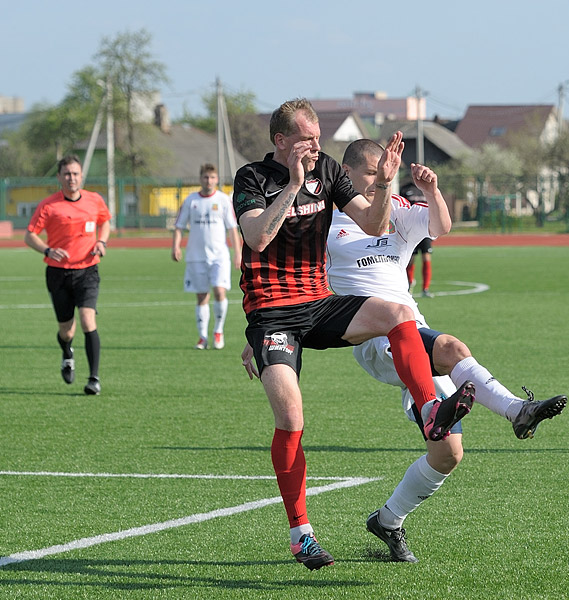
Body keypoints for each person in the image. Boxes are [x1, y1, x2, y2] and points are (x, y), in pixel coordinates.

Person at [231, 98, 474, 571]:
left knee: (396, 312)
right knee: (291, 417)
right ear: (280, 141)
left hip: (318, 304)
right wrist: (296, 188)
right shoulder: (251, 178)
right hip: (273, 315)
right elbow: (258, 237)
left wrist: (384, 182)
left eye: (319, 136)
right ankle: (301, 534)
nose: (316, 145)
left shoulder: (326, 167)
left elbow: (374, 222)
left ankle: (429, 409)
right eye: (306, 138)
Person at [329, 139, 568, 562]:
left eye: (385, 170)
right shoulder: (327, 218)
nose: (381, 177)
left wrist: (432, 190)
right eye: (372, 171)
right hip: (371, 336)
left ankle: (387, 520)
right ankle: (517, 411)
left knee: (447, 454)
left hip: (412, 333)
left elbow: (440, 228)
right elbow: (291, 277)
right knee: (453, 346)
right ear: (346, 173)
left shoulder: (399, 206)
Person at [24, 155, 110, 396]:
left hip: (87, 270)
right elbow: (30, 235)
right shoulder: (49, 205)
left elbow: (105, 222)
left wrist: (101, 242)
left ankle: (94, 378)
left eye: (75, 173)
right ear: (59, 177)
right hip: (58, 274)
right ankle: (67, 352)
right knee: (67, 331)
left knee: (87, 319)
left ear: (82, 176)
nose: (72, 178)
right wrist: (48, 250)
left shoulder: (94, 200)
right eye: (67, 174)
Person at [171, 163, 242, 350]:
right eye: (205, 177)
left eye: (212, 177)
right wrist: (175, 246)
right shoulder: (191, 200)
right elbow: (179, 226)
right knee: (201, 296)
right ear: (200, 178)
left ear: (217, 179)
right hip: (196, 256)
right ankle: (202, 337)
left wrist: (238, 253)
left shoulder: (223, 200)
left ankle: (218, 331)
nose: (208, 181)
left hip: (219, 256)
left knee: (220, 291)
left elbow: (233, 229)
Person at [401, 181, 435, 297]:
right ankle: (409, 284)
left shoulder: (426, 187)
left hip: (424, 230)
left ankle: (425, 288)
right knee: (410, 259)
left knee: (426, 257)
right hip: (410, 230)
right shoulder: (406, 189)